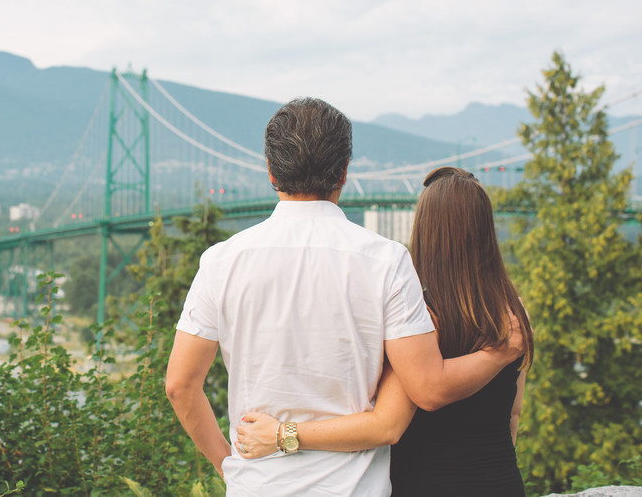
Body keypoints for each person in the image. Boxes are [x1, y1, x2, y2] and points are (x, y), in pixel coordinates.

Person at [165, 98, 524, 496]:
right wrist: (502, 351)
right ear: (344, 171)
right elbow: (419, 395)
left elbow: (180, 386)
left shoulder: (221, 261)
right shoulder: (387, 262)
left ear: (270, 171)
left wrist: (229, 466)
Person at [234, 166, 533, 496]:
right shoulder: (513, 315)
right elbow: (514, 414)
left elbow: (389, 421)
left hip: (422, 486)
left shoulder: (415, 317)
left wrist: (282, 433)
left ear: (425, 230)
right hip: (501, 483)